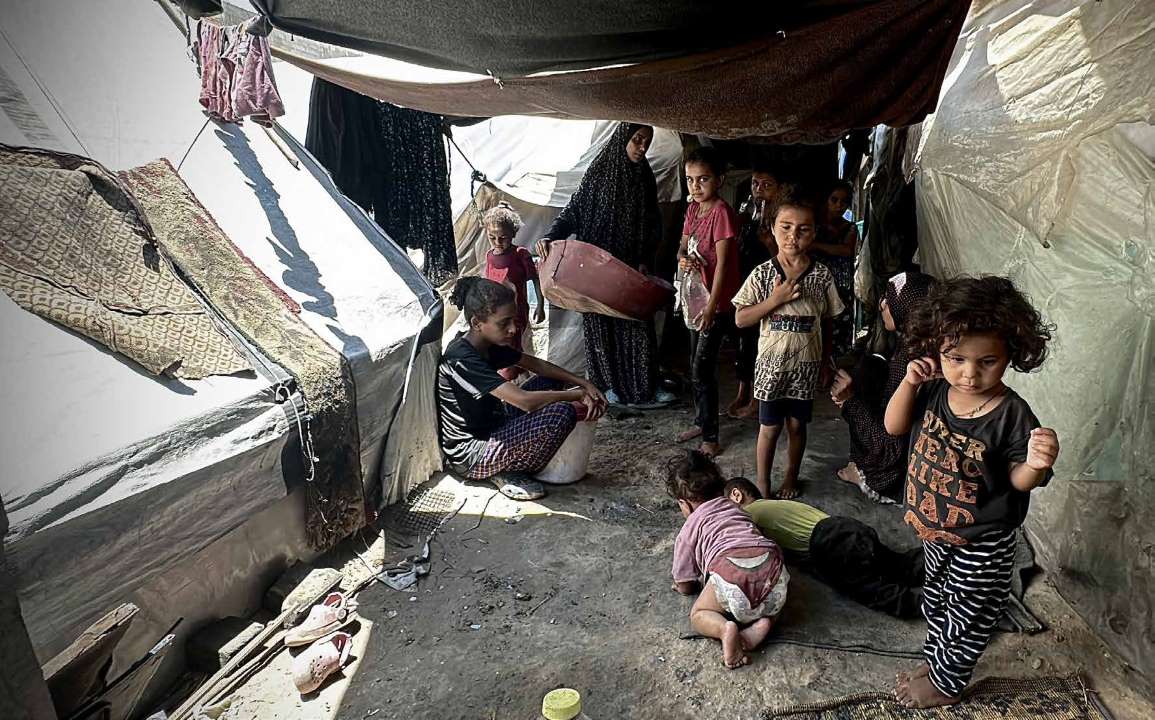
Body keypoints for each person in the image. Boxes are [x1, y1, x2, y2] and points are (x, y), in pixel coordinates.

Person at [884, 276, 1059, 708]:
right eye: (955, 358)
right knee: (939, 599)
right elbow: (893, 426)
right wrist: (908, 383)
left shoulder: (1011, 414)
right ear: (936, 347)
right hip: (935, 530)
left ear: (1010, 356)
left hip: (983, 538)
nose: (969, 373)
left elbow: (1018, 481)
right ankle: (939, 659)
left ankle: (947, 682)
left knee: (969, 611)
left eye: (987, 362)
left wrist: (1036, 465)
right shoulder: (934, 390)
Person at [535, 123, 675, 408]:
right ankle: (608, 388)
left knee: (637, 326)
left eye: (646, 142)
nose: (642, 147)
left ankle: (644, 388)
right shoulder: (600, 172)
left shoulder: (644, 175)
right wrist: (551, 236)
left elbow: (652, 225)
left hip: (629, 269)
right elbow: (574, 211)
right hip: (595, 270)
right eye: (637, 140)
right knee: (601, 325)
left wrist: (646, 261)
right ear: (622, 139)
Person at [438, 277, 608, 501]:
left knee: (551, 382)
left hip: (496, 424)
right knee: (560, 413)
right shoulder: (461, 358)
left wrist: (584, 383)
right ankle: (505, 471)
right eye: (504, 323)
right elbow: (524, 400)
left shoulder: (485, 343)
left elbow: (536, 365)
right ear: (477, 323)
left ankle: (509, 465)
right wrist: (576, 394)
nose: (512, 329)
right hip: (473, 454)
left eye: (514, 321)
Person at [733, 190, 843, 499]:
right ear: (772, 227)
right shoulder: (763, 274)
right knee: (769, 428)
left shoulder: (821, 276)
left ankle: (791, 478)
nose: (793, 235)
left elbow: (828, 321)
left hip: (805, 367)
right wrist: (775, 300)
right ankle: (764, 485)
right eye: (785, 226)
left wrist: (825, 363)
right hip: (771, 367)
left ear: (814, 232)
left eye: (803, 229)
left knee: (796, 426)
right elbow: (741, 319)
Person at [723, 478, 924, 619]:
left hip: (829, 542)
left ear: (736, 495)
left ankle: (928, 605)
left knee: (869, 589)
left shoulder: (749, 514)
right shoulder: (777, 506)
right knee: (897, 565)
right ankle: (938, 563)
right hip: (845, 527)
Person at [667, 450, 788, 669]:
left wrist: (681, 586)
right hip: (771, 563)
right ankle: (765, 622)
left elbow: (685, 583)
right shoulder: (737, 509)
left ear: (684, 504)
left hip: (729, 568)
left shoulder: (689, 528)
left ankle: (725, 629)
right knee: (775, 597)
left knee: (699, 614)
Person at [831, 272, 938, 502]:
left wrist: (850, 400)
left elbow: (891, 441)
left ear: (908, 308)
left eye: (890, 299)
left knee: (860, 384)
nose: (882, 305)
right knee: (872, 366)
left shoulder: (913, 362)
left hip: (897, 466)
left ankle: (869, 479)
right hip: (901, 440)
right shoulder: (918, 343)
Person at [675, 146, 742, 458]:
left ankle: (711, 438)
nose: (696, 186)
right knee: (694, 363)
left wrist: (713, 308)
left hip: (717, 302)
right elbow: (681, 248)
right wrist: (684, 259)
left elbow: (725, 266)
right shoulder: (693, 210)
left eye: (703, 179)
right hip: (695, 298)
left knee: (703, 368)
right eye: (690, 180)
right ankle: (702, 422)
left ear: (720, 179)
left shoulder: (722, 213)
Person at [728, 163, 781, 419]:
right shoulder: (747, 210)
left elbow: (785, 260)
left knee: (763, 344)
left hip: (770, 288)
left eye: (766, 185)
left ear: (778, 190)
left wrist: (770, 245)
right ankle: (742, 390)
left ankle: (757, 399)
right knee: (743, 341)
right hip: (746, 283)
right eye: (755, 184)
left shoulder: (780, 218)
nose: (759, 190)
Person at [482, 202, 545, 381]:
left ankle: (510, 386)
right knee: (502, 347)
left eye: (503, 237)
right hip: (494, 312)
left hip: (515, 313)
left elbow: (536, 280)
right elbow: (488, 283)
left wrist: (540, 306)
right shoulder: (489, 255)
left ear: (513, 234)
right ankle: (525, 379)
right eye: (492, 237)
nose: (497, 242)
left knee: (511, 346)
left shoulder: (520, 254)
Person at [811, 179, 858, 360]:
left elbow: (846, 250)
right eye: (834, 200)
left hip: (841, 287)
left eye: (843, 202)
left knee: (838, 333)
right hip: (817, 286)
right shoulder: (814, 225)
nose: (839, 206)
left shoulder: (849, 227)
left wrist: (816, 246)